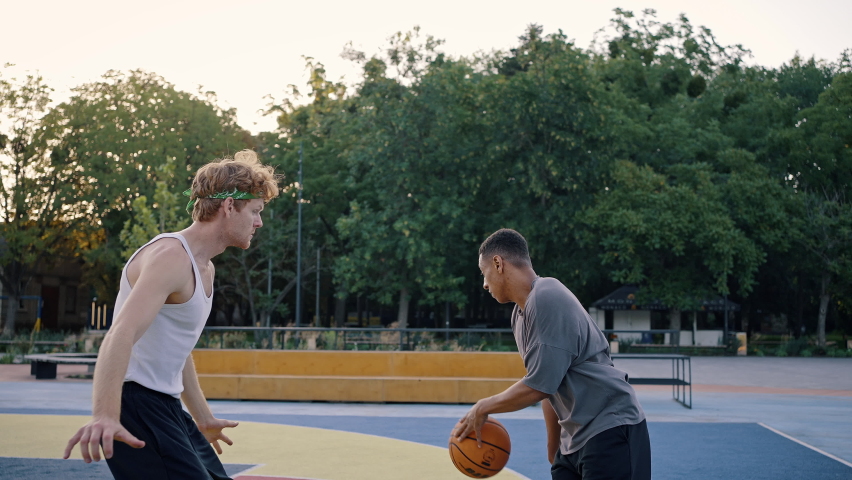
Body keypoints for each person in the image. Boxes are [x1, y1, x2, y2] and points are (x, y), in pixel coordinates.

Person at [64, 150, 280, 479]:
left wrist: (203, 417)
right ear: (228, 206)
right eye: (255, 211)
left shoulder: (204, 268)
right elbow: (120, 333)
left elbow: (178, 350)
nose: (259, 222)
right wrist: (106, 414)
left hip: (165, 405)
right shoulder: (171, 257)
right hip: (135, 404)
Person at [452, 228, 651, 480]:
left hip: (610, 428)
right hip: (575, 441)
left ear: (498, 263)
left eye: (484, 273)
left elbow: (539, 386)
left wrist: (482, 407)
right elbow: (548, 382)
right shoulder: (519, 316)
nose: (484, 283)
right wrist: (554, 446)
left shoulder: (547, 294)